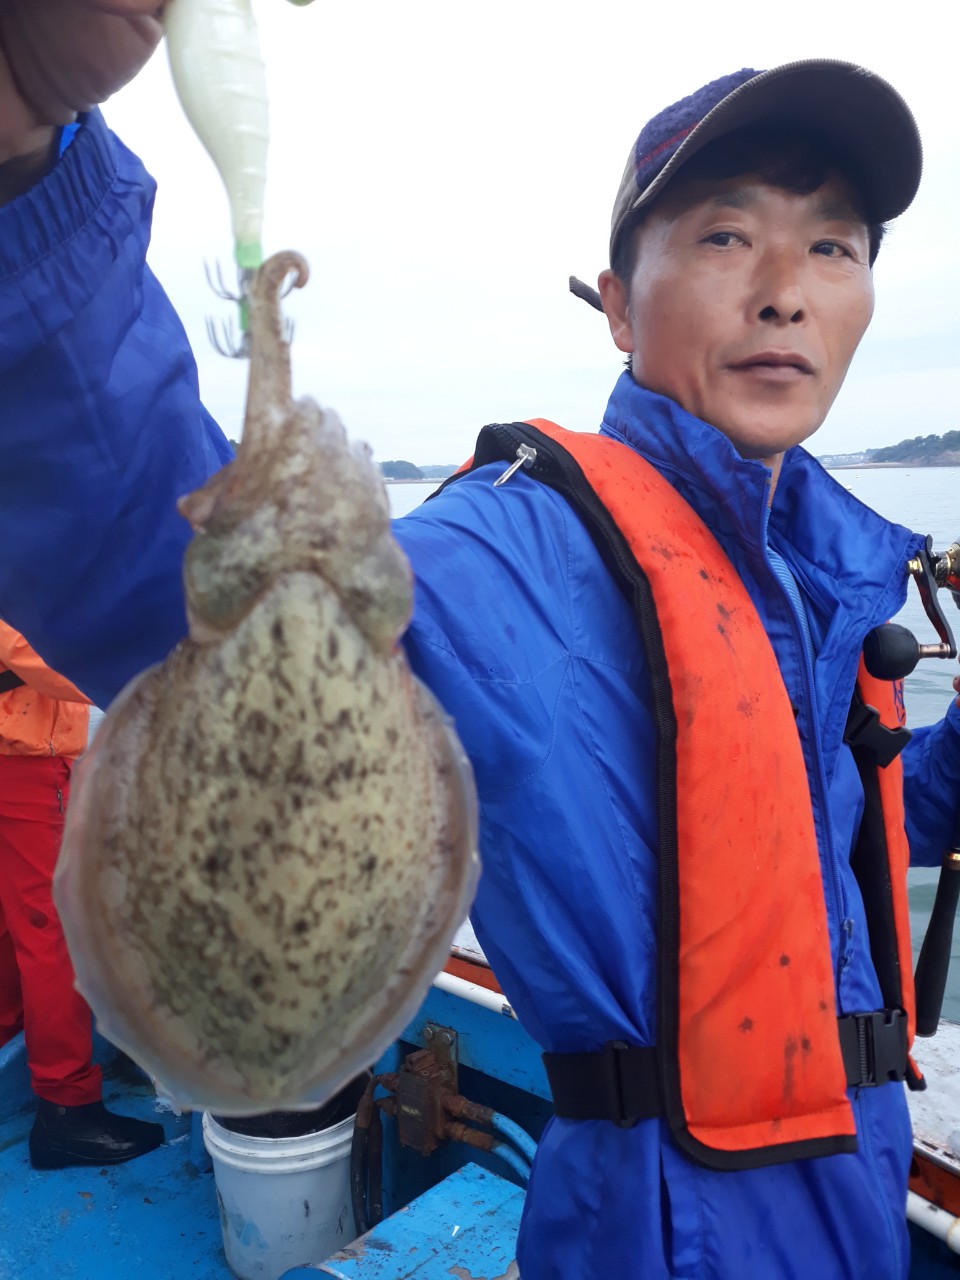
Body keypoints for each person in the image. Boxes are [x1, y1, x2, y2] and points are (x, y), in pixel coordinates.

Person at [2, 11, 960, 1274]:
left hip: (858, 1202)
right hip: (659, 1235)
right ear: (617, 306)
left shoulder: (817, 577)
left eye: (833, 244)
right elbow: (167, 572)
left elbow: (837, 836)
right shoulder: (510, 556)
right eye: (726, 235)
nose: (785, 285)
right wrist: (23, 162)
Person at [0, 620, 165, 1168]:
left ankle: (11, 1051)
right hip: (22, 760)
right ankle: (66, 1111)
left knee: (12, 924)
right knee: (56, 932)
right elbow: (34, 646)